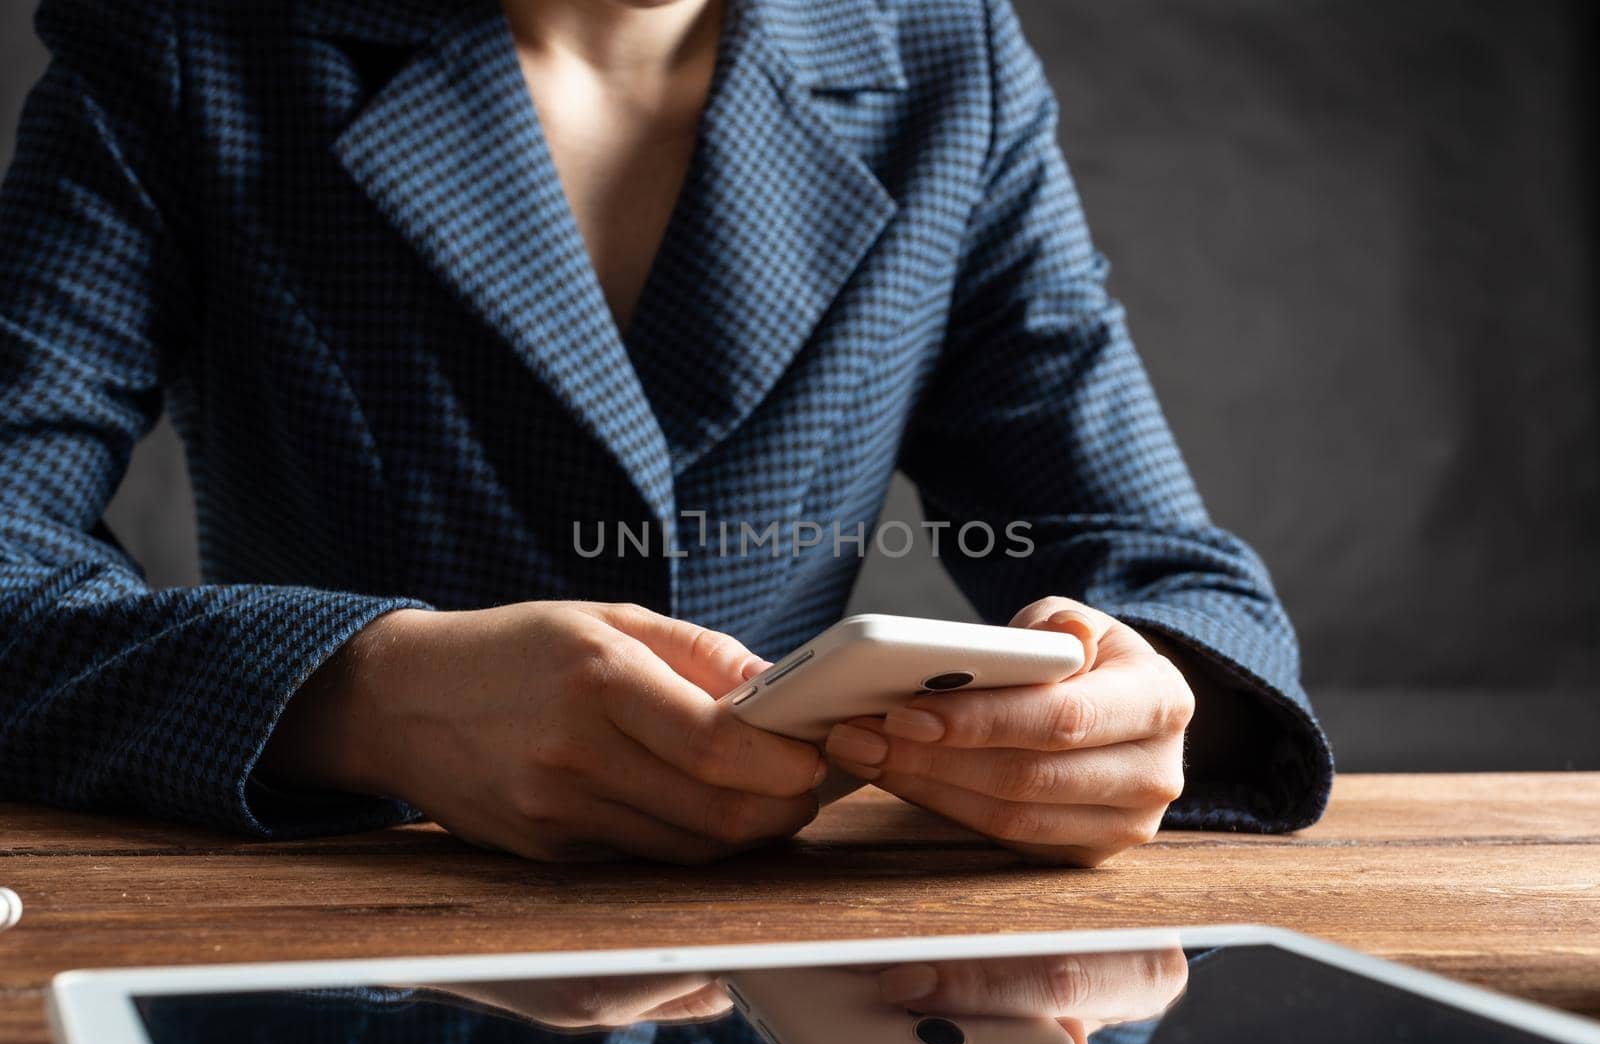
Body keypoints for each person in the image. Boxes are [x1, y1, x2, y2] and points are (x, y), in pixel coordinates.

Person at [0, 0, 1332, 865]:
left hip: (805, 977)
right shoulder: (184, 41)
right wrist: (365, 701)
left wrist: (1150, 703)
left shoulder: (946, 55)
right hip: (346, 951)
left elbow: (1164, 570)